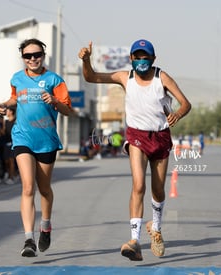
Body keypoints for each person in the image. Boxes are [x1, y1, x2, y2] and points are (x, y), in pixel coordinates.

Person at [79, 39, 191, 261]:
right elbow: (92, 77)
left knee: (158, 189)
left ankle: (156, 229)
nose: (141, 60)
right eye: (137, 56)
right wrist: (86, 60)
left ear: (153, 59)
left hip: (160, 137)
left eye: (145, 57)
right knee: (138, 184)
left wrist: (177, 114)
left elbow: (185, 103)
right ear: (131, 59)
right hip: (136, 136)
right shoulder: (124, 77)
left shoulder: (162, 77)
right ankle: (135, 241)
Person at [0, 38, 73, 257]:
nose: (32, 59)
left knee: (44, 188)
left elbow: (67, 110)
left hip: (46, 140)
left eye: (36, 54)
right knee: (28, 187)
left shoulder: (54, 79)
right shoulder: (17, 78)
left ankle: (46, 226)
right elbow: (15, 99)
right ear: (22, 58)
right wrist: (5, 105)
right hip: (22, 137)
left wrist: (55, 102)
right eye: (27, 56)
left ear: (43, 55)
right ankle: (28, 239)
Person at [1, 106, 18, 185]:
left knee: (11, 161)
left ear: (11, 112)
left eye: (7, 111)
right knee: (6, 161)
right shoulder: (5, 121)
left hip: (14, 143)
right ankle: (13, 174)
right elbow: (3, 132)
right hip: (6, 143)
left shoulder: (16, 121)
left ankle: (11, 178)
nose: (6, 112)